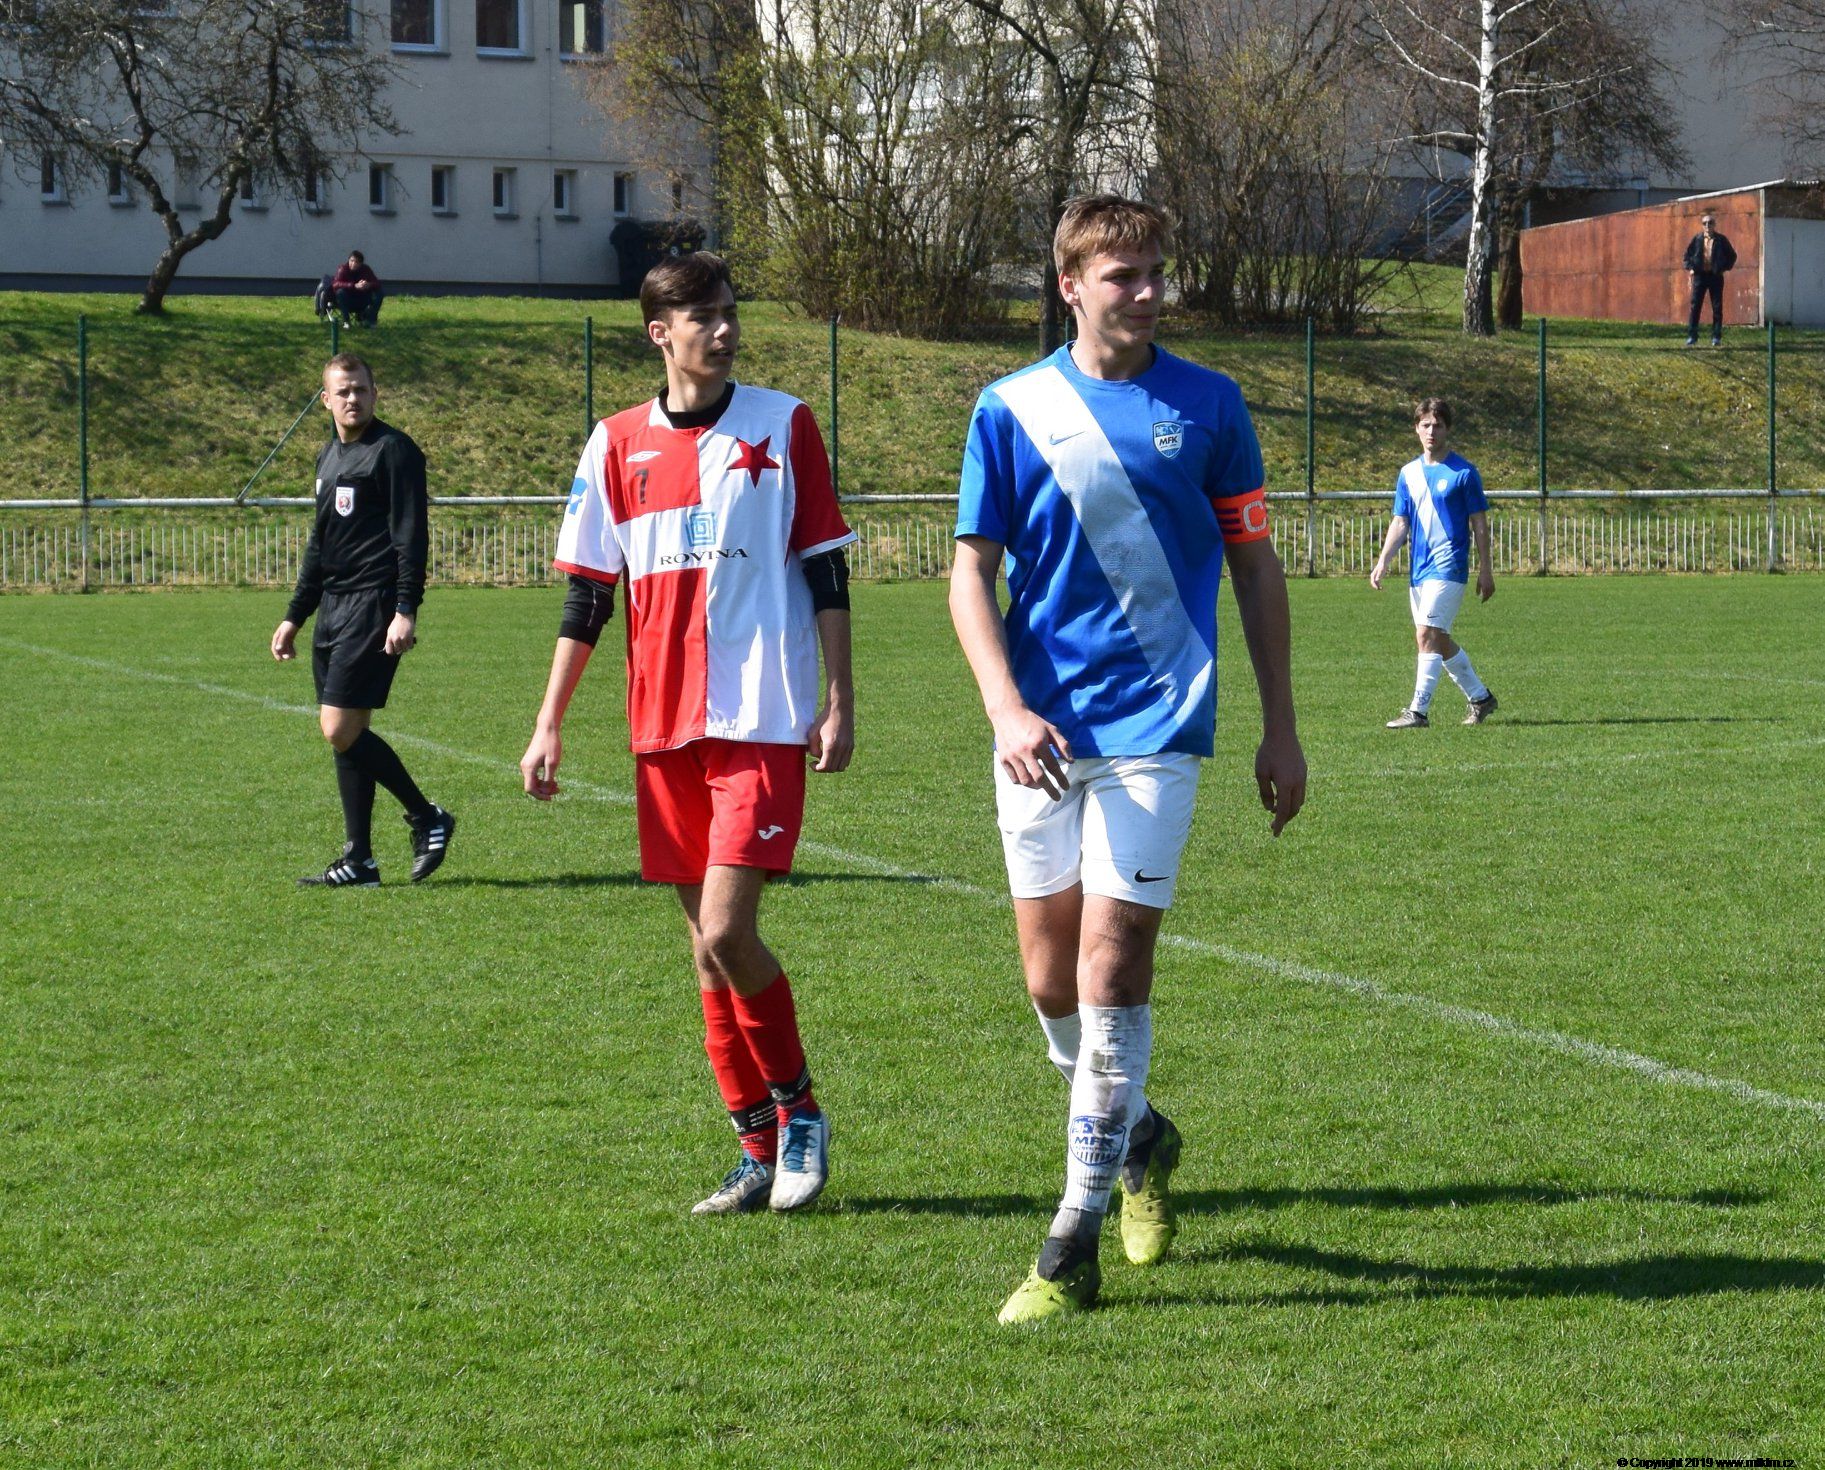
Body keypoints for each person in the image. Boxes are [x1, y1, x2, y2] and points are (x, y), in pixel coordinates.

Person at [949, 194, 1306, 1324]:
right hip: (1041, 735)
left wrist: (1281, 723)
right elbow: (968, 574)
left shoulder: (1210, 404)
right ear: (1069, 286)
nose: (1147, 292)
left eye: (1155, 272)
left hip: (1160, 726)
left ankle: (1070, 1241)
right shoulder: (1010, 408)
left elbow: (1254, 567)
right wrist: (1005, 710)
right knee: (1049, 984)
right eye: (1122, 276)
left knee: (1111, 970)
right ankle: (1141, 1135)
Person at [518, 252, 855, 1216]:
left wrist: (839, 697)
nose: (724, 329)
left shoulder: (783, 423)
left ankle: (801, 1112)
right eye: (703, 317)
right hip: (662, 727)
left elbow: (826, 568)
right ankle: (754, 1152)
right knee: (704, 952)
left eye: (729, 312)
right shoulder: (614, 442)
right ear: (659, 334)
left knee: (728, 929)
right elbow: (588, 595)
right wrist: (548, 722)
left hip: (761, 715)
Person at [272, 353, 455, 885]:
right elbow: (320, 544)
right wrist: (295, 616)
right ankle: (359, 860)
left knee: (338, 727)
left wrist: (405, 610)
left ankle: (426, 816)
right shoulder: (328, 456)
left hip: (373, 605)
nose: (352, 398)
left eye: (361, 389)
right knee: (347, 734)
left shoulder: (394, 451)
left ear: (375, 394)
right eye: (343, 391)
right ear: (325, 399)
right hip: (333, 607)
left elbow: (410, 537)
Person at [1370, 397, 1498, 728]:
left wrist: (1485, 569)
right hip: (1420, 571)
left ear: (1447, 429)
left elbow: (1479, 523)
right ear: (1416, 428)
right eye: (1425, 425)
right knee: (1437, 639)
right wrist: (1383, 560)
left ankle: (1418, 711)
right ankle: (1481, 697)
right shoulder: (1408, 473)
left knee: (1426, 633)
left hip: (1449, 566)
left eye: (1438, 425)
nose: (1431, 431)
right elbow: (1400, 522)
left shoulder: (1464, 472)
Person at [1683, 212, 1736, 348]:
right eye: (1705, 223)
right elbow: (1687, 256)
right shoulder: (1697, 239)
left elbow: (1732, 256)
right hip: (1700, 276)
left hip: (1715, 277)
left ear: (1714, 225)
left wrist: (1723, 268)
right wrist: (1691, 268)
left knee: (1717, 308)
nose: (1707, 225)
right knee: (1695, 306)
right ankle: (1692, 336)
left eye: (1710, 223)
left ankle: (1716, 337)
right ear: (1702, 225)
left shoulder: (1721, 240)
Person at [331, 251, 385, 327]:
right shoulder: (343, 269)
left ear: (361, 264)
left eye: (356, 262)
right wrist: (354, 285)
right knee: (340, 292)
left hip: (362, 298)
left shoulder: (366, 269)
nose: (353, 264)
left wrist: (368, 285)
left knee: (379, 292)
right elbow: (335, 284)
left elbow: (377, 283)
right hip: (348, 299)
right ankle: (346, 321)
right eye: (351, 261)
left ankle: (371, 320)